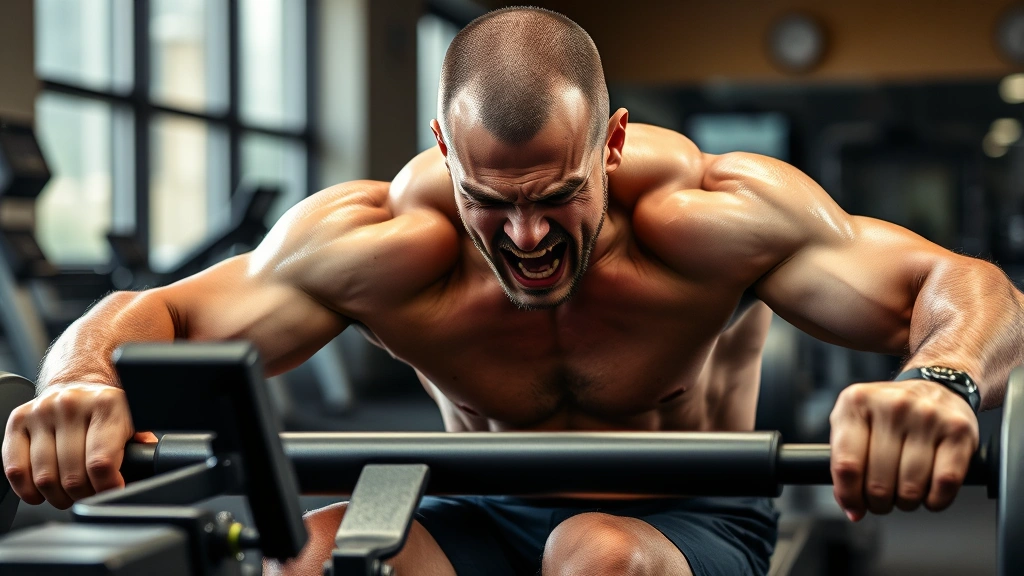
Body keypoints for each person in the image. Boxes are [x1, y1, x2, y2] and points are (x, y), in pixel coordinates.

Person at [4, 6, 1022, 576]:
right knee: (305, 556)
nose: (527, 238)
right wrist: (82, 381)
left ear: (610, 142)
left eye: (559, 197)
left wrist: (937, 379)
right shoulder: (385, 242)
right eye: (492, 201)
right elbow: (161, 315)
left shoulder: (712, 218)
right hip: (476, 507)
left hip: (680, 519)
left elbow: (961, 287)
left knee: (595, 555)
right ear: (445, 151)